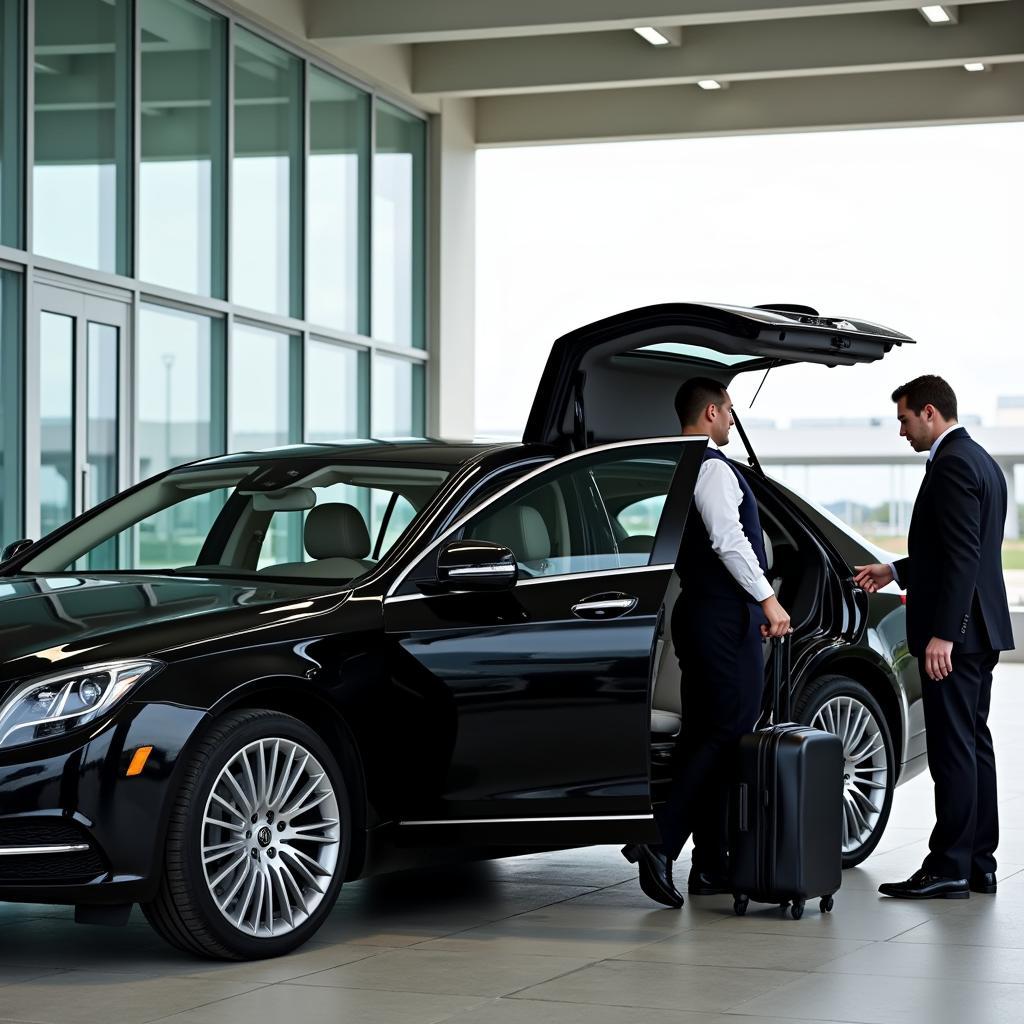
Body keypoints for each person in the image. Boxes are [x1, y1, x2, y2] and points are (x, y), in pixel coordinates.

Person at [623, 377, 791, 908]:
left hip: (699, 613)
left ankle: (711, 865)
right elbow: (728, 539)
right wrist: (767, 599)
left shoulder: (682, 463)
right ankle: (660, 841)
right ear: (713, 412)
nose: (733, 420)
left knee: (704, 734)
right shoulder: (713, 468)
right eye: (731, 411)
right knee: (727, 732)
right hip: (721, 618)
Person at [854, 375, 1014, 900]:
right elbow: (951, 549)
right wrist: (894, 571)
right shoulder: (983, 462)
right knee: (973, 746)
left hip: (958, 636)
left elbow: (964, 556)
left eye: (903, 419)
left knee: (952, 751)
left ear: (929, 411)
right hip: (982, 631)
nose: (901, 431)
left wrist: (944, 633)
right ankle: (978, 862)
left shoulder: (951, 465)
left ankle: (948, 866)